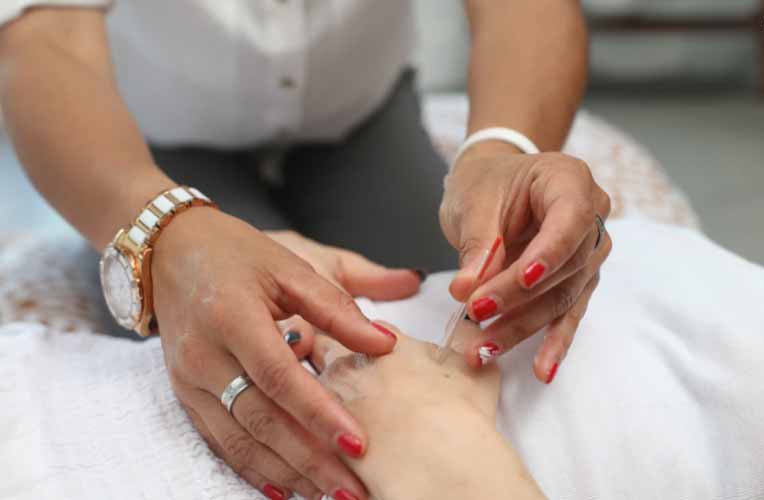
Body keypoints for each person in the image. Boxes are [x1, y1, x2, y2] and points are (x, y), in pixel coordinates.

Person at [0, 2, 611, 499]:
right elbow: (45, 38)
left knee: (457, 281)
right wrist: (161, 225)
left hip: (356, 111)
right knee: (253, 354)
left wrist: (502, 149)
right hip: (161, 132)